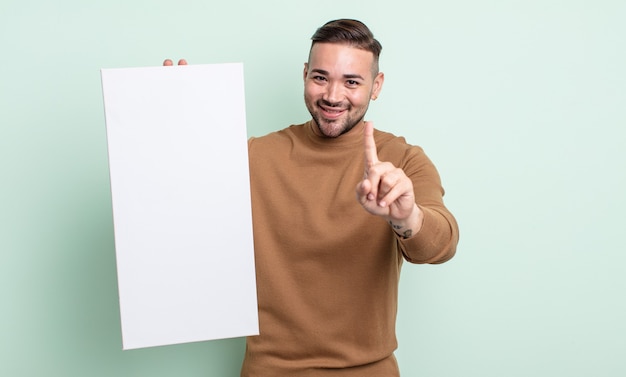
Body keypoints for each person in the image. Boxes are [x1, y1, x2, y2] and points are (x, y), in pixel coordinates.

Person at [165, 18, 459, 377]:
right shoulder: (253, 157)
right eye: (321, 77)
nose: (333, 96)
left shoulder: (402, 159)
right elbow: (179, 212)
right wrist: (176, 120)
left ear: (376, 85)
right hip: (268, 370)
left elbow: (441, 245)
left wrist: (405, 217)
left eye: (352, 82)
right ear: (305, 74)